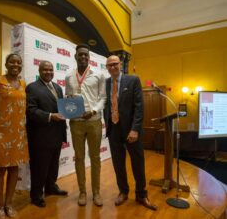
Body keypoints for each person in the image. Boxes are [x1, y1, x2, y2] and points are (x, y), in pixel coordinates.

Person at [103, 55, 157, 210]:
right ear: (106, 67)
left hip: (131, 131)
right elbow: (105, 104)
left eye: (115, 64)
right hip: (113, 130)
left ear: (120, 64)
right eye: (109, 65)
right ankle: (123, 191)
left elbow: (139, 107)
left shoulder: (133, 80)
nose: (112, 67)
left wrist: (134, 129)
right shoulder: (106, 83)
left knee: (138, 163)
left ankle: (141, 194)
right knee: (118, 164)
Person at [0, 53, 29, 219]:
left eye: (18, 62)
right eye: (12, 62)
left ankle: (9, 204)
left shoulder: (23, 83)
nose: (15, 65)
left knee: (14, 168)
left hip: (18, 133)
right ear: (6, 64)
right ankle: (0, 206)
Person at [65, 44, 106, 206]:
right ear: (75, 56)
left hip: (94, 122)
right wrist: (69, 107)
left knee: (95, 158)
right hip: (76, 123)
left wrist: (94, 111)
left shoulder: (98, 74)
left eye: (86, 55)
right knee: (79, 158)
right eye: (80, 55)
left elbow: (103, 98)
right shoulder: (69, 76)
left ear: (89, 58)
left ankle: (96, 192)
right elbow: (68, 97)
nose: (83, 57)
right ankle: (82, 192)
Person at [26, 60, 68, 208]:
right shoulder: (32, 88)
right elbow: (31, 111)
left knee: (53, 165)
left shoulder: (58, 88)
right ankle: (36, 195)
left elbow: (62, 108)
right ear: (39, 71)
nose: (48, 72)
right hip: (40, 137)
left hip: (57, 135)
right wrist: (50, 116)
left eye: (51, 70)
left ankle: (51, 187)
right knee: (39, 168)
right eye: (45, 70)